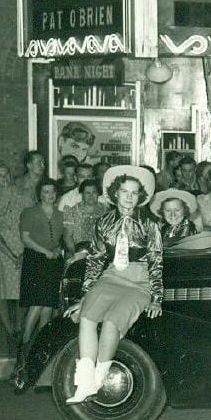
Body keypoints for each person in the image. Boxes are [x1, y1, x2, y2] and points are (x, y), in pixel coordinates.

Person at [65, 165, 163, 402]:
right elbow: (96, 259)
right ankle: (84, 382)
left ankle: (97, 381)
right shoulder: (103, 222)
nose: (129, 197)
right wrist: (85, 297)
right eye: (124, 192)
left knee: (111, 322)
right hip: (111, 277)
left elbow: (156, 260)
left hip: (139, 281)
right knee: (87, 317)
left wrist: (156, 298)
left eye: (134, 193)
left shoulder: (150, 223)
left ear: (140, 197)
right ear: (115, 193)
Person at [17, 178, 65, 367]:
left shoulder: (60, 214)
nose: (49, 195)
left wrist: (57, 249)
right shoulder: (29, 212)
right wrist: (45, 252)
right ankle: (22, 351)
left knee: (48, 307)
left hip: (53, 262)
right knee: (36, 304)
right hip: (36, 261)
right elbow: (25, 238)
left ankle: (39, 351)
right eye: (45, 191)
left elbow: (60, 238)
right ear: (39, 194)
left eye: (52, 191)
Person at [0, 163, 29, 351]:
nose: (3, 178)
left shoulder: (23, 195)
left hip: (22, 246)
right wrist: (10, 253)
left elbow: (31, 222)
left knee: (22, 291)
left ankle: (19, 327)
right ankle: (9, 330)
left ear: (10, 175)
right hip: (0, 249)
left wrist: (25, 249)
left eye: (5, 174)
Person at [62, 180, 108, 252]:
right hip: (78, 251)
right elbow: (67, 237)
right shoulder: (72, 211)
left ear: (98, 193)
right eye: (87, 193)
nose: (91, 196)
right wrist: (74, 254)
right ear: (82, 194)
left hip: (101, 251)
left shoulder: (106, 211)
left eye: (94, 192)